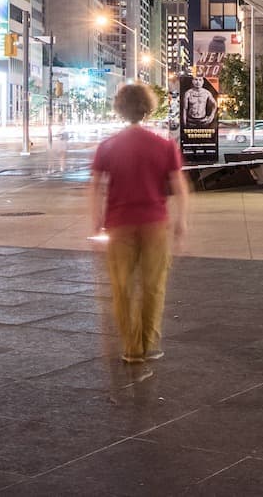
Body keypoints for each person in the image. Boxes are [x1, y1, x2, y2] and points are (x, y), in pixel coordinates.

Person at [88, 82, 188, 368]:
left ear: (120, 109)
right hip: (155, 224)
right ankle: (148, 343)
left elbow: (95, 188)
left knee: (121, 288)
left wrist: (97, 222)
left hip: (119, 225)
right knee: (153, 286)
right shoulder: (164, 146)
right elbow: (179, 187)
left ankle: (131, 348)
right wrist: (181, 222)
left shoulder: (108, 146)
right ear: (147, 109)